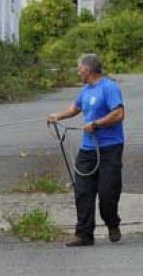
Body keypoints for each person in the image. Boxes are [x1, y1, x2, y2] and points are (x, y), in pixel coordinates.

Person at [47, 53, 125, 247]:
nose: (77, 71)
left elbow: (119, 114)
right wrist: (57, 116)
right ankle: (84, 234)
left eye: (79, 68)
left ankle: (112, 223)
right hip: (87, 149)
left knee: (107, 193)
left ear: (88, 70)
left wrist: (97, 124)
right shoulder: (85, 90)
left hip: (109, 148)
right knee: (82, 191)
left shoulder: (109, 87)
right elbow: (75, 108)